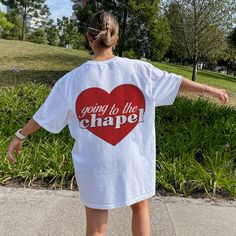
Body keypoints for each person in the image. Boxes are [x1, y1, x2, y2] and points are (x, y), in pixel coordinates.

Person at [7, 10, 228, 236]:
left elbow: (43, 116)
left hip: (94, 163)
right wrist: (209, 89)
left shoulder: (71, 81)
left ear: (88, 37)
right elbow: (175, 82)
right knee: (140, 207)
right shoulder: (140, 70)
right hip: (132, 158)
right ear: (116, 38)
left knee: (96, 225)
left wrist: (19, 136)